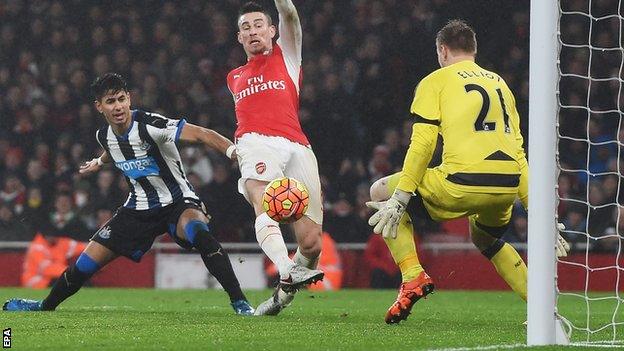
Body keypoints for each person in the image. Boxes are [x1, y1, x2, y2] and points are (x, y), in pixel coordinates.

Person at [366, 20, 571, 324]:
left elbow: (423, 144)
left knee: (380, 192)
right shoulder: (500, 83)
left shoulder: (435, 81)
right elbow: (518, 153)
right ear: (474, 50)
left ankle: (412, 275)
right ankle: (540, 306)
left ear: (442, 50)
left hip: (460, 184)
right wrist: (539, 214)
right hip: (506, 187)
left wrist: (401, 196)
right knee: (486, 238)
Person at [4, 73, 254, 315]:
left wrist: (235, 154)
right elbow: (112, 149)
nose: (118, 106)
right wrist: (99, 163)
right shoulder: (104, 136)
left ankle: (240, 302)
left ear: (129, 99)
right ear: (99, 106)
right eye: (110, 101)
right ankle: (44, 306)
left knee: (200, 233)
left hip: (177, 202)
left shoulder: (150, 125)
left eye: (121, 99)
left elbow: (202, 134)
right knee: (86, 263)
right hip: (137, 209)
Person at [226, 1, 324, 316]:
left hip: (297, 144)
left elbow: (291, 15)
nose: (252, 31)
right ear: (239, 37)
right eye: (245, 27)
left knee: (311, 244)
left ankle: (281, 298)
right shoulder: (234, 77)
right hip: (254, 139)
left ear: (272, 31)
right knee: (264, 199)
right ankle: (285, 267)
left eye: (258, 25)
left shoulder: (288, 56)